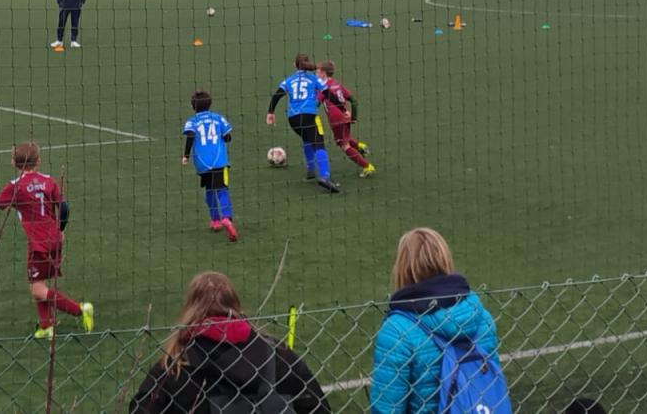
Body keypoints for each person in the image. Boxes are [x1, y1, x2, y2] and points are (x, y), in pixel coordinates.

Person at [130, 271, 329, 413]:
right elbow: (317, 406)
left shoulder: (175, 367)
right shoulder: (277, 354)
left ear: (190, 310)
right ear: (235, 306)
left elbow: (141, 408)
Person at [0, 141, 94, 340]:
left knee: (37, 288)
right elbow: (64, 208)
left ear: (13, 162)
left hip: (39, 244)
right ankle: (46, 326)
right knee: (37, 283)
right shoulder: (49, 181)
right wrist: (60, 229)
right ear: (39, 161)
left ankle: (80, 310)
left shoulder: (16, 187)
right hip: (54, 239)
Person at [370, 228, 504, 414]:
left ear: (402, 268)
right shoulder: (481, 316)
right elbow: (491, 381)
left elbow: (387, 408)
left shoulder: (397, 330)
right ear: (445, 259)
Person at [266, 54, 339, 193]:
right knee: (319, 143)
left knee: (307, 138)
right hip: (309, 116)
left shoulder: (289, 80)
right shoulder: (314, 78)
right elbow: (328, 94)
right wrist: (342, 109)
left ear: (295, 65)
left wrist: (271, 112)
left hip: (293, 119)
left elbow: (276, 95)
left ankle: (311, 170)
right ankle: (325, 177)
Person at [182, 89, 238, 241]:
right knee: (222, 190)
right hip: (220, 161)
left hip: (202, 164)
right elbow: (228, 137)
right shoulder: (218, 118)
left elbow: (190, 136)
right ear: (210, 104)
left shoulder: (192, 121)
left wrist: (186, 156)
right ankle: (226, 217)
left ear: (193, 106)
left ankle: (215, 220)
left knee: (209, 190)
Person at [314, 60, 374, 178]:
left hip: (336, 119)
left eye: (318, 72)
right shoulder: (337, 84)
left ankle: (367, 166)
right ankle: (360, 146)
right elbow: (353, 101)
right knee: (342, 138)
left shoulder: (323, 88)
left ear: (324, 73)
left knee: (344, 145)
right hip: (345, 117)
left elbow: (316, 104)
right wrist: (354, 117)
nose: (316, 73)